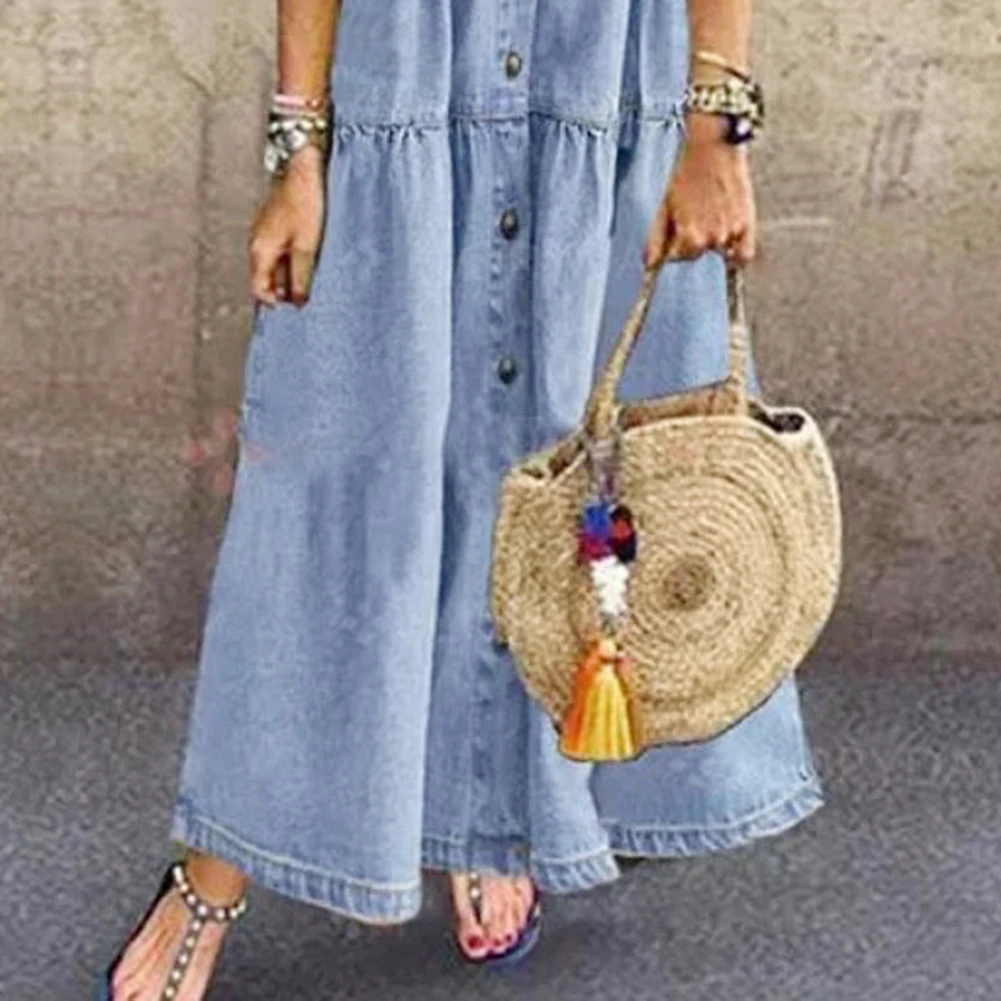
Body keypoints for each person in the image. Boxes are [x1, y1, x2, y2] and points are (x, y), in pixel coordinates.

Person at [95, 0, 823, 997]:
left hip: (602, 75)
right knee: (336, 496)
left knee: (559, 476)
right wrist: (299, 149)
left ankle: (491, 819)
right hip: (405, 77)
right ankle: (215, 870)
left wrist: (713, 124)